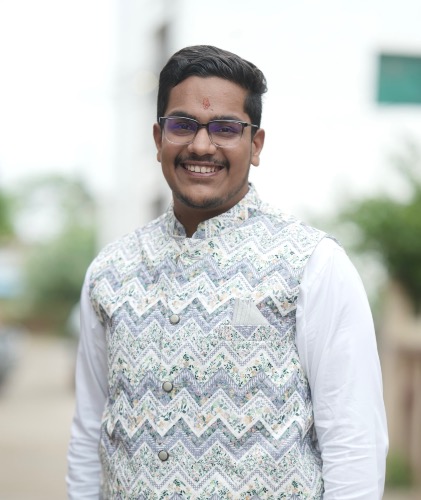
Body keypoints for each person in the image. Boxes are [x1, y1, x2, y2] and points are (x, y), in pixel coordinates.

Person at [67, 45, 388, 499]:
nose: (201, 145)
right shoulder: (111, 272)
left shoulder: (313, 265)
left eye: (225, 128)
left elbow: (354, 442)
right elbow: (88, 430)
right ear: (158, 138)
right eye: (183, 125)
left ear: (255, 145)